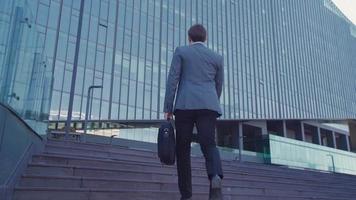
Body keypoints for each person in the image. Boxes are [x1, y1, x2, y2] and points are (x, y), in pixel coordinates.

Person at [163, 24, 224, 200]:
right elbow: (218, 85)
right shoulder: (217, 58)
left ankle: (186, 195)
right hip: (208, 105)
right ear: (205, 38)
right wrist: (211, 102)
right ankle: (215, 176)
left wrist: (168, 108)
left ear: (189, 38)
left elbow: (172, 80)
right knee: (209, 145)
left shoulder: (182, 51)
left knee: (183, 149)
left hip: (185, 105)